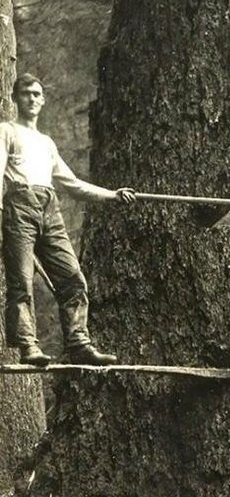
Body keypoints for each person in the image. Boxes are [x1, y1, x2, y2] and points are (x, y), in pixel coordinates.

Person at [0, 73, 136, 367]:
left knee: (72, 276)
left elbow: (72, 184)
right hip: (18, 206)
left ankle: (79, 343)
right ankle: (28, 346)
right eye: (26, 93)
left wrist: (113, 195)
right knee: (22, 281)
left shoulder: (46, 143)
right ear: (15, 98)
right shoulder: (6, 131)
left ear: (43, 100)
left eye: (37, 94)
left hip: (50, 207)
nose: (32, 99)